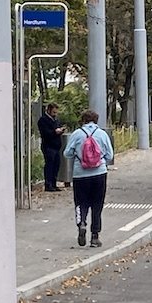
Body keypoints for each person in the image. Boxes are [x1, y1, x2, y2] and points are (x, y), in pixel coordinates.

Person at [63, 109, 115, 247]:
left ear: (83, 120)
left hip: (80, 174)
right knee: (97, 205)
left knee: (81, 202)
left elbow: (67, 153)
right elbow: (110, 156)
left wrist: (77, 154)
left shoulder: (76, 134)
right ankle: (95, 237)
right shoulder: (102, 134)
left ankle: (82, 224)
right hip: (99, 174)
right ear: (96, 120)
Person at [37, 103, 65, 192]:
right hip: (48, 145)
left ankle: (54, 183)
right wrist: (55, 132)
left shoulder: (56, 120)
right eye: (53, 112)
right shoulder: (43, 120)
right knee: (49, 165)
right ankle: (48, 184)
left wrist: (61, 131)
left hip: (56, 145)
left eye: (56, 112)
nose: (55, 114)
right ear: (48, 110)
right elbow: (45, 133)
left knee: (56, 165)